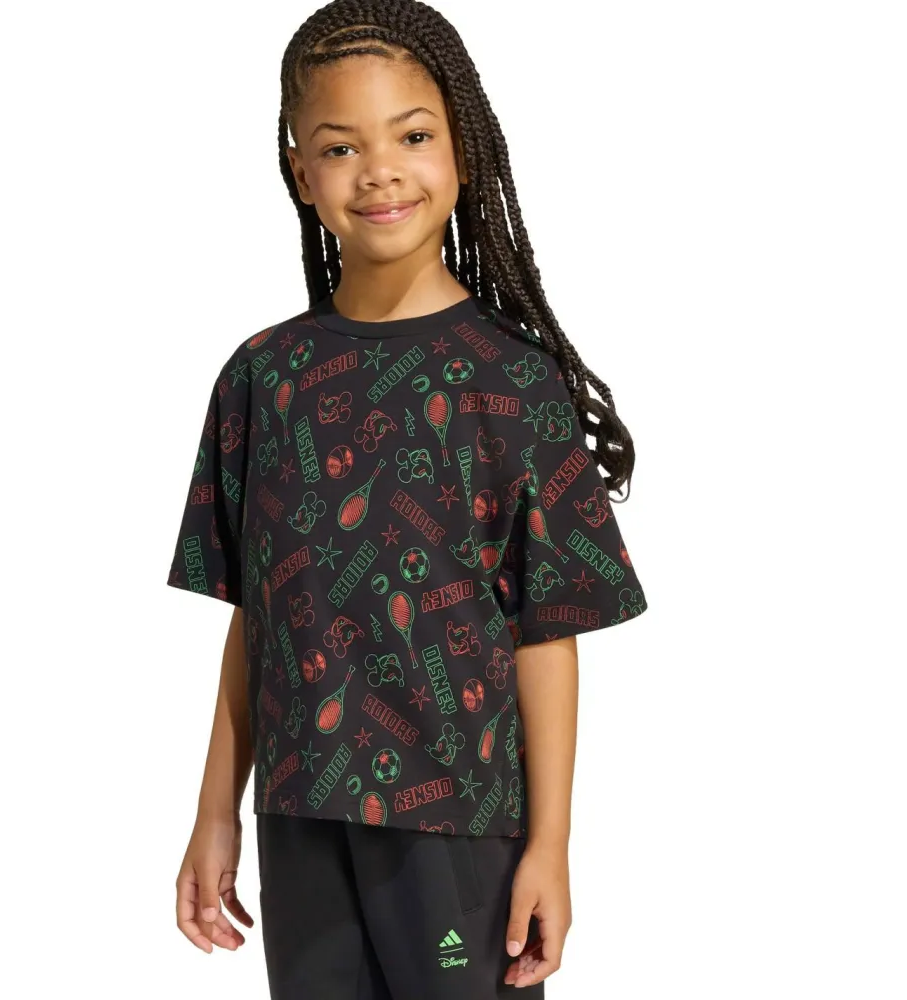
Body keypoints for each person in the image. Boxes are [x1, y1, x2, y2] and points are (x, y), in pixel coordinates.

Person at [166, 2, 648, 996]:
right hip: (299, 819)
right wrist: (216, 811)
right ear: (301, 173)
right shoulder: (263, 378)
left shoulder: (513, 383)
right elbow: (258, 616)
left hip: (461, 827)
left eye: (412, 136)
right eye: (340, 147)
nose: (379, 172)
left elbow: (546, 634)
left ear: (462, 147)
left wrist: (550, 844)